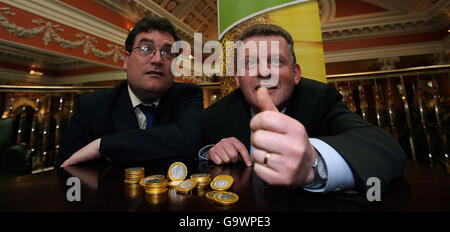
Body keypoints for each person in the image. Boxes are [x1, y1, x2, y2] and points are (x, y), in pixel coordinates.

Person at [200, 23, 406, 193]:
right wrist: (210, 152)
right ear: (237, 78)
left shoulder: (320, 98)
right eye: (251, 63)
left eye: (275, 61)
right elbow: (188, 152)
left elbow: (384, 149)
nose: (264, 72)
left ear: (296, 74)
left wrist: (314, 163)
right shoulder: (217, 114)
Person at [56, 16, 204, 167]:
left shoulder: (187, 95)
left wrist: (103, 145)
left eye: (167, 52)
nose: (158, 60)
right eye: (146, 49)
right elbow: (67, 169)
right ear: (126, 60)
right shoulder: (92, 106)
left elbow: (188, 141)